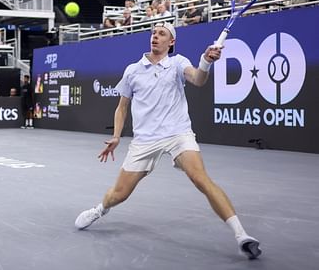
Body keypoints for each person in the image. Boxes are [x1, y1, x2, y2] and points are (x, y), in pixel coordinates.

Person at [74, 22, 262, 260]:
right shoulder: (133, 70)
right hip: (145, 140)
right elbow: (122, 108)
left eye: (161, 34)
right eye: (153, 33)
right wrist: (116, 136)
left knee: (201, 179)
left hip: (177, 133)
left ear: (171, 42)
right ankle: (100, 210)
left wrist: (206, 61)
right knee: (119, 195)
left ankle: (242, 236)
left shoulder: (177, 63)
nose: (155, 37)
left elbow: (197, 79)